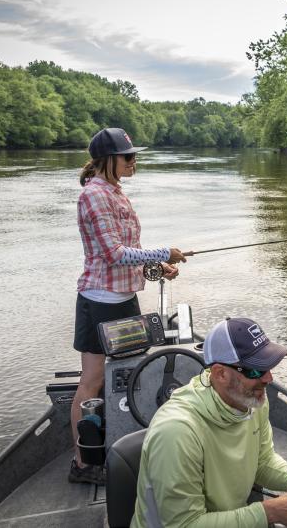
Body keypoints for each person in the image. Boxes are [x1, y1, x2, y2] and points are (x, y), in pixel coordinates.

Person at [131, 318, 287, 528]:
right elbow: (183, 524)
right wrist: (271, 512)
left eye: (268, 366)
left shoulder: (253, 401)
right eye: (256, 370)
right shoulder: (176, 431)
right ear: (220, 373)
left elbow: (262, 461)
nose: (268, 378)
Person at [70, 127, 188, 485]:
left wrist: (156, 269)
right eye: (128, 156)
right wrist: (163, 251)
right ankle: (83, 464)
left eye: (134, 155)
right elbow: (113, 254)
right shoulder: (94, 196)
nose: (134, 161)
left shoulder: (116, 193)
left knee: (133, 373)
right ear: (109, 160)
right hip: (99, 302)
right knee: (91, 382)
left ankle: (131, 446)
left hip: (124, 299)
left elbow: (126, 256)